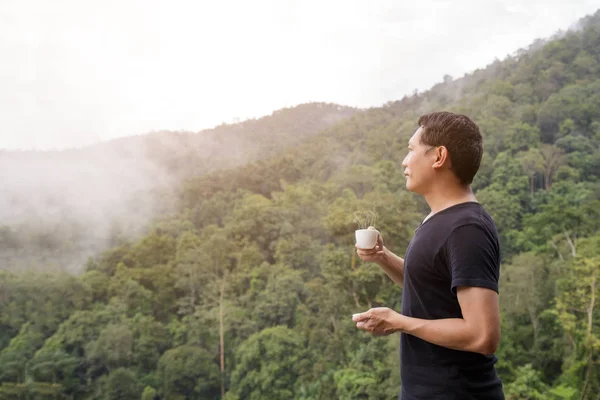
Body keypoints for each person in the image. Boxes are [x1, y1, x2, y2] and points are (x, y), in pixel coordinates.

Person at [353, 111, 504, 399]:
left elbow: (483, 336)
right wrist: (382, 256)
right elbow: (430, 288)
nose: (404, 161)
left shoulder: (467, 229)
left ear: (438, 157)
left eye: (411, 150)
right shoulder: (439, 219)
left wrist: (399, 321)